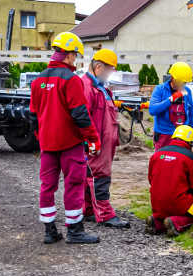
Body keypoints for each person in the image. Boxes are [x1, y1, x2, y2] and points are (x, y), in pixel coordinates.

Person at [30, 32, 101, 244]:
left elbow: (33, 116)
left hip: (48, 144)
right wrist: (93, 139)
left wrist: (41, 137)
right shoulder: (71, 80)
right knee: (74, 185)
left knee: (47, 186)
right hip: (70, 143)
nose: (76, 59)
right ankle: (75, 231)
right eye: (75, 55)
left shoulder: (38, 81)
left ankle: (49, 231)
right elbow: (80, 113)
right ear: (69, 55)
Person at [81, 48, 129, 229]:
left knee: (89, 176)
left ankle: (88, 210)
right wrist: (90, 141)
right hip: (96, 144)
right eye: (109, 70)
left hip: (103, 143)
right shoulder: (87, 87)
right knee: (99, 176)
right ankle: (105, 214)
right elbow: (83, 116)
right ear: (98, 67)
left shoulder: (100, 87)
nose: (110, 74)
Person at [146, 125, 193, 236]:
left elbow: (151, 180)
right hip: (178, 204)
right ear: (190, 143)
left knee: (162, 212)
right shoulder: (190, 158)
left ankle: (156, 221)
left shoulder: (157, 154)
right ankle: (175, 223)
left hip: (156, 203)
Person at [148, 62, 193, 151]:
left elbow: (191, 113)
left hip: (182, 136)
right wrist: (171, 99)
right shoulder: (160, 90)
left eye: (184, 82)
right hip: (164, 135)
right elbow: (152, 110)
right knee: (162, 161)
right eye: (180, 82)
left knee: (180, 161)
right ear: (172, 78)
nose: (182, 85)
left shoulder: (187, 91)